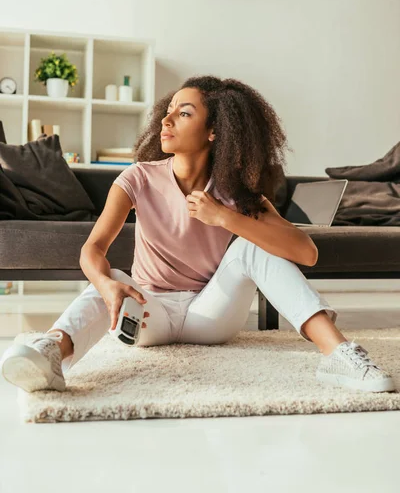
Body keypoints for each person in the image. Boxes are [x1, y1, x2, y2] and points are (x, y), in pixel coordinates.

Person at [0, 76, 395, 394]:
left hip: (211, 314)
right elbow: (93, 249)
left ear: (214, 132)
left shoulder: (237, 194)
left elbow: (305, 253)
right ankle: (52, 352)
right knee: (116, 278)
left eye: (183, 114)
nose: (166, 121)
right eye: (167, 112)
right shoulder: (137, 177)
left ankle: (339, 355)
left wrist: (225, 217)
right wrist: (105, 284)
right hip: (148, 312)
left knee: (248, 246)